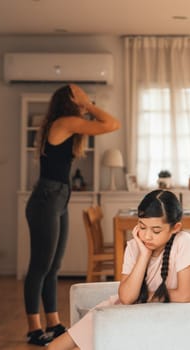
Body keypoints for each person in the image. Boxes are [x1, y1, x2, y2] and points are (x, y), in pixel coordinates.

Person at [24, 84, 121, 346]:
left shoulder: (65, 123)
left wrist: (85, 104)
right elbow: (112, 124)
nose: (85, 99)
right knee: (40, 266)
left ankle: (53, 323)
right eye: (79, 96)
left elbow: (109, 124)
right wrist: (89, 106)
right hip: (47, 199)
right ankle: (34, 329)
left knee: (53, 267)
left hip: (58, 197)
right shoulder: (65, 122)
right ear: (70, 101)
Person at [48, 189, 190, 350]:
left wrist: (143, 296)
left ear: (175, 228)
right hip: (121, 309)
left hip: (141, 317)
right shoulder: (135, 246)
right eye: (142, 227)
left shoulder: (183, 242)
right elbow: (127, 298)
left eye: (156, 230)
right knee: (54, 347)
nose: (147, 236)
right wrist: (144, 254)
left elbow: (185, 295)